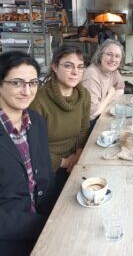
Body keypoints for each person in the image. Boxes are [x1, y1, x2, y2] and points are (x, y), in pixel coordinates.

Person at [0, 51, 56, 256]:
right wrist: (45, 225)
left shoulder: (36, 121)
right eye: (16, 83)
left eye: (33, 83)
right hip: (9, 240)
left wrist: (58, 211)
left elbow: (45, 177)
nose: (27, 91)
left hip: (43, 224)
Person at [30, 45, 91, 192]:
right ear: (55, 67)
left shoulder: (84, 95)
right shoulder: (38, 100)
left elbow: (83, 129)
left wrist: (78, 154)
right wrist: (64, 162)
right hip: (47, 166)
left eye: (80, 67)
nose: (75, 72)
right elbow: (33, 148)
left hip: (75, 159)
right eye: (68, 66)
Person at [81, 39, 125, 128]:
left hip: (101, 116)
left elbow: (120, 90)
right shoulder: (92, 74)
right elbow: (92, 114)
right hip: (88, 126)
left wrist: (103, 104)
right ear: (100, 55)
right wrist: (110, 94)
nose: (113, 59)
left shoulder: (113, 71)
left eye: (117, 56)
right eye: (109, 54)